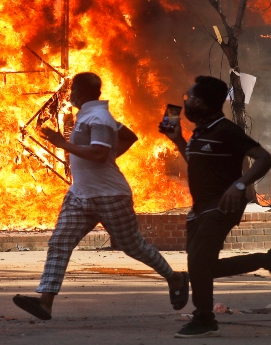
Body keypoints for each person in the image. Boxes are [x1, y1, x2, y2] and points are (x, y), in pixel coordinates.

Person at [12, 72, 190, 321]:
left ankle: (175, 277)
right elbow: (129, 136)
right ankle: (45, 302)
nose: (70, 94)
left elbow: (97, 153)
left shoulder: (98, 118)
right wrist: (110, 155)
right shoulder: (89, 114)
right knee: (59, 243)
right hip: (80, 194)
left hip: (110, 195)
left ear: (80, 93)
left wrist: (63, 145)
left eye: (72, 90)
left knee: (133, 247)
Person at [160, 75, 271, 338]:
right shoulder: (200, 132)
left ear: (200, 101)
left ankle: (204, 318)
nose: (185, 102)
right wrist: (177, 140)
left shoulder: (226, 130)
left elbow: (265, 158)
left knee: (198, 263)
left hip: (223, 205)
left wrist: (240, 185)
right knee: (203, 267)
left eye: (188, 98)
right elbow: (197, 163)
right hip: (200, 208)